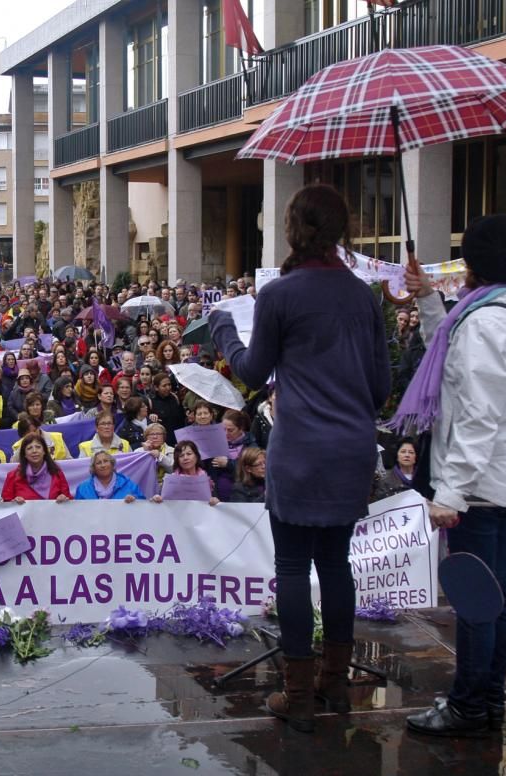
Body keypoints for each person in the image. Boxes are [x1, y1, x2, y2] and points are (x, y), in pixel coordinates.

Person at [211, 184, 391, 733]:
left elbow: (253, 369)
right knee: (335, 565)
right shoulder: (364, 297)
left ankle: (298, 694)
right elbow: (381, 385)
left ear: (292, 230)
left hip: (302, 448)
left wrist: (222, 330)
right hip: (351, 450)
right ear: (340, 230)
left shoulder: (282, 294)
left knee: (291, 566)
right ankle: (335, 684)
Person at [391, 214, 506, 737]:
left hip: (479, 487)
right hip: (501, 479)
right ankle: (486, 699)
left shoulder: (487, 322)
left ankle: (469, 704)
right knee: (498, 594)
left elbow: (478, 415)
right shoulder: (495, 312)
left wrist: (452, 492)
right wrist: (426, 299)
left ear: (477, 264)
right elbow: (452, 355)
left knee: (480, 600)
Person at [2, 432, 71, 503]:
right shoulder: (12, 476)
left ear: (44, 451)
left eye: (38, 447)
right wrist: (13, 503)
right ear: (24, 454)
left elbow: (69, 501)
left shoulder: (57, 473)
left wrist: (64, 499)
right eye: (29, 448)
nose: (34, 451)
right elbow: (6, 506)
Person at [74, 451, 145, 502]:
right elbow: (77, 512)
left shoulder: (128, 484)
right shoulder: (83, 488)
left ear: (112, 464)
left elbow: (142, 504)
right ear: (94, 468)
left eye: (106, 461)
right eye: (98, 463)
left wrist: (134, 499)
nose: (103, 465)